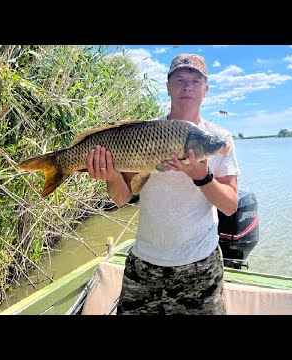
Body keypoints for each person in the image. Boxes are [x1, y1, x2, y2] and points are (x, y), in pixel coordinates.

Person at [86, 53, 240, 315]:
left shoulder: (219, 139)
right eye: (179, 79)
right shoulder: (143, 133)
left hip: (200, 266)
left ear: (206, 89)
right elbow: (122, 197)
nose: (187, 86)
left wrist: (202, 177)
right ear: (168, 87)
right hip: (145, 264)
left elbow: (230, 205)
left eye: (195, 80)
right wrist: (111, 176)